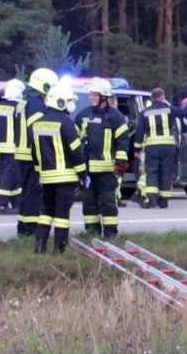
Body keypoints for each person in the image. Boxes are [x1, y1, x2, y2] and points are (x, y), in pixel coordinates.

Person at [31, 84, 86, 254]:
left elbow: (34, 152)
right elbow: (76, 151)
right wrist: (82, 174)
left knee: (46, 212)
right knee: (62, 215)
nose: (71, 105)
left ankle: (39, 247)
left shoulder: (37, 124)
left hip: (47, 176)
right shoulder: (66, 123)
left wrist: (40, 172)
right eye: (69, 101)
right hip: (66, 176)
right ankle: (59, 249)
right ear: (61, 102)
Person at [76, 79, 131, 238]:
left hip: (107, 169)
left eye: (95, 94)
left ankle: (110, 233)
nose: (92, 97)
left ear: (104, 97)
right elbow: (73, 140)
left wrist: (121, 162)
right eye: (91, 94)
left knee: (108, 202)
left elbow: (123, 140)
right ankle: (91, 232)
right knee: (89, 203)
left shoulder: (115, 116)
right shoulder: (83, 115)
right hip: (86, 170)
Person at [15, 69, 58, 236]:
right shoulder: (37, 104)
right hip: (32, 155)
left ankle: (23, 227)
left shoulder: (24, 101)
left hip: (21, 153)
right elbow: (37, 131)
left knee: (26, 193)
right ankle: (31, 229)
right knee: (35, 193)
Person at [134, 88, 181, 209]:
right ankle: (164, 200)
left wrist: (137, 149)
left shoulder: (145, 112)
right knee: (166, 172)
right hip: (168, 147)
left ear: (152, 97)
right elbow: (184, 112)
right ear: (162, 96)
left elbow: (139, 132)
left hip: (152, 147)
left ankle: (152, 199)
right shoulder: (169, 109)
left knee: (152, 172)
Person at [0, 79, 24, 215]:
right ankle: (1, 205)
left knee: (12, 177)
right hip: (13, 148)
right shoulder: (19, 107)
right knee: (8, 176)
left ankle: (16, 204)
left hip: (0, 147)